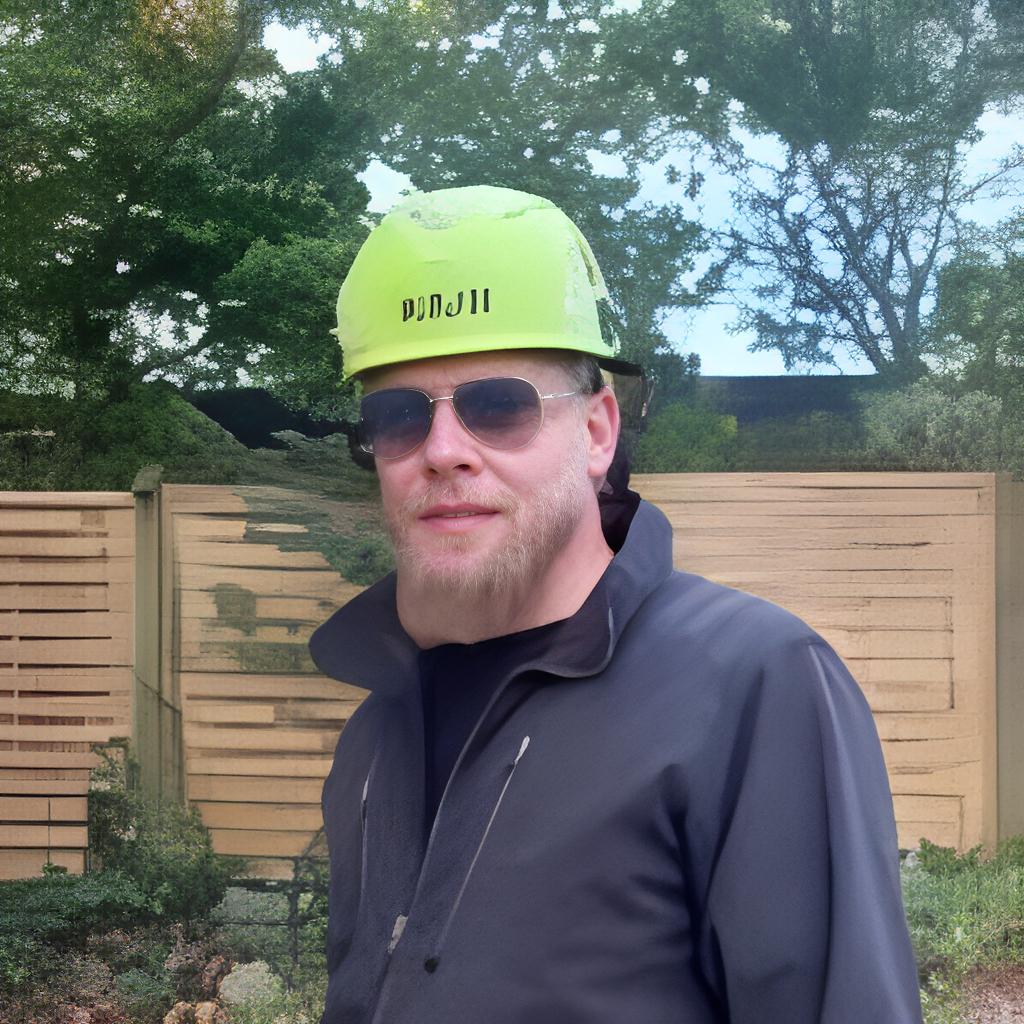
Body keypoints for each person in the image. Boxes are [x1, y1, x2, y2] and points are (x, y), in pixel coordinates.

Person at [308, 185, 923, 1024]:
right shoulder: (378, 727)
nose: (443, 451)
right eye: (397, 416)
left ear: (597, 432)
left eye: (497, 405)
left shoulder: (751, 684)